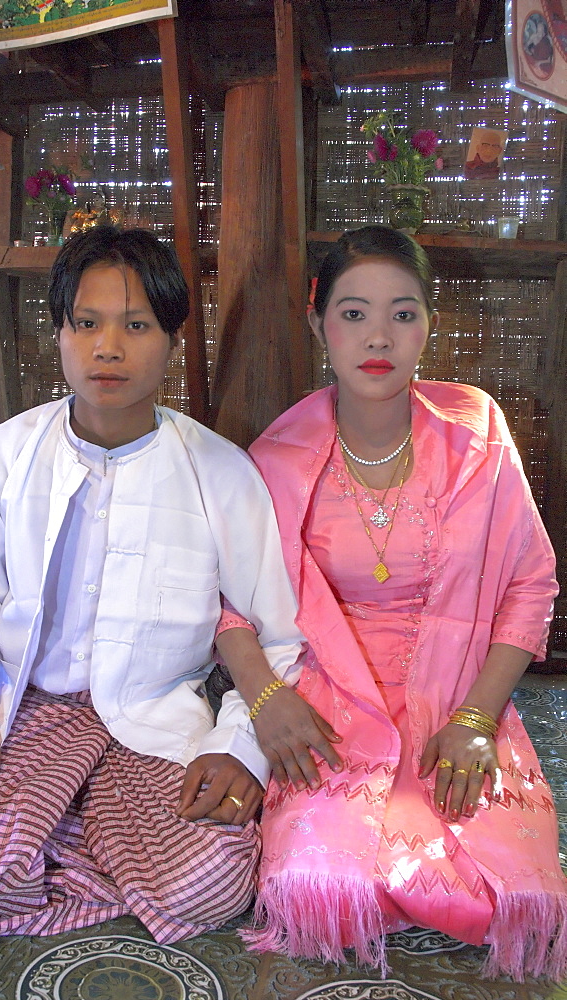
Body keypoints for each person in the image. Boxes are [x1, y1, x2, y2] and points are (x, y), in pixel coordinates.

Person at [0, 225, 317, 944]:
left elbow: (277, 634)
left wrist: (239, 746)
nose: (108, 348)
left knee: (210, 880)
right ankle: (87, 847)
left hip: (156, 723)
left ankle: (52, 846)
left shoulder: (220, 472)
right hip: (29, 708)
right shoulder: (6, 456)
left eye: (136, 326)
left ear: (172, 339)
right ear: (59, 332)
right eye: (87, 324)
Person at [218, 225, 567, 981]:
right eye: (353, 313)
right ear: (318, 322)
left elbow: (530, 583)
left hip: (458, 693)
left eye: (403, 314)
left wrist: (477, 720)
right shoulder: (276, 460)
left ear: (428, 325)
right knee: (325, 886)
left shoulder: (476, 435)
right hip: (330, 699)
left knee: (500, 895)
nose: (378, 336)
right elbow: (227, 603)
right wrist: (267, 696)